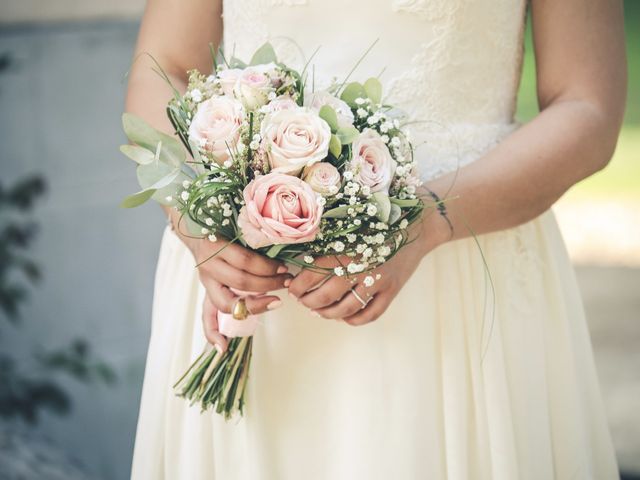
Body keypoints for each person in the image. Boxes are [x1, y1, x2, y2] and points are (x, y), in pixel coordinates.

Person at [125, 0, 626, 478]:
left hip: (462, 265)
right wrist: (196, 217)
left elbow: (588, 105)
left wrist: (429, 221)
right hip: (242, 281)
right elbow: (163, 65)